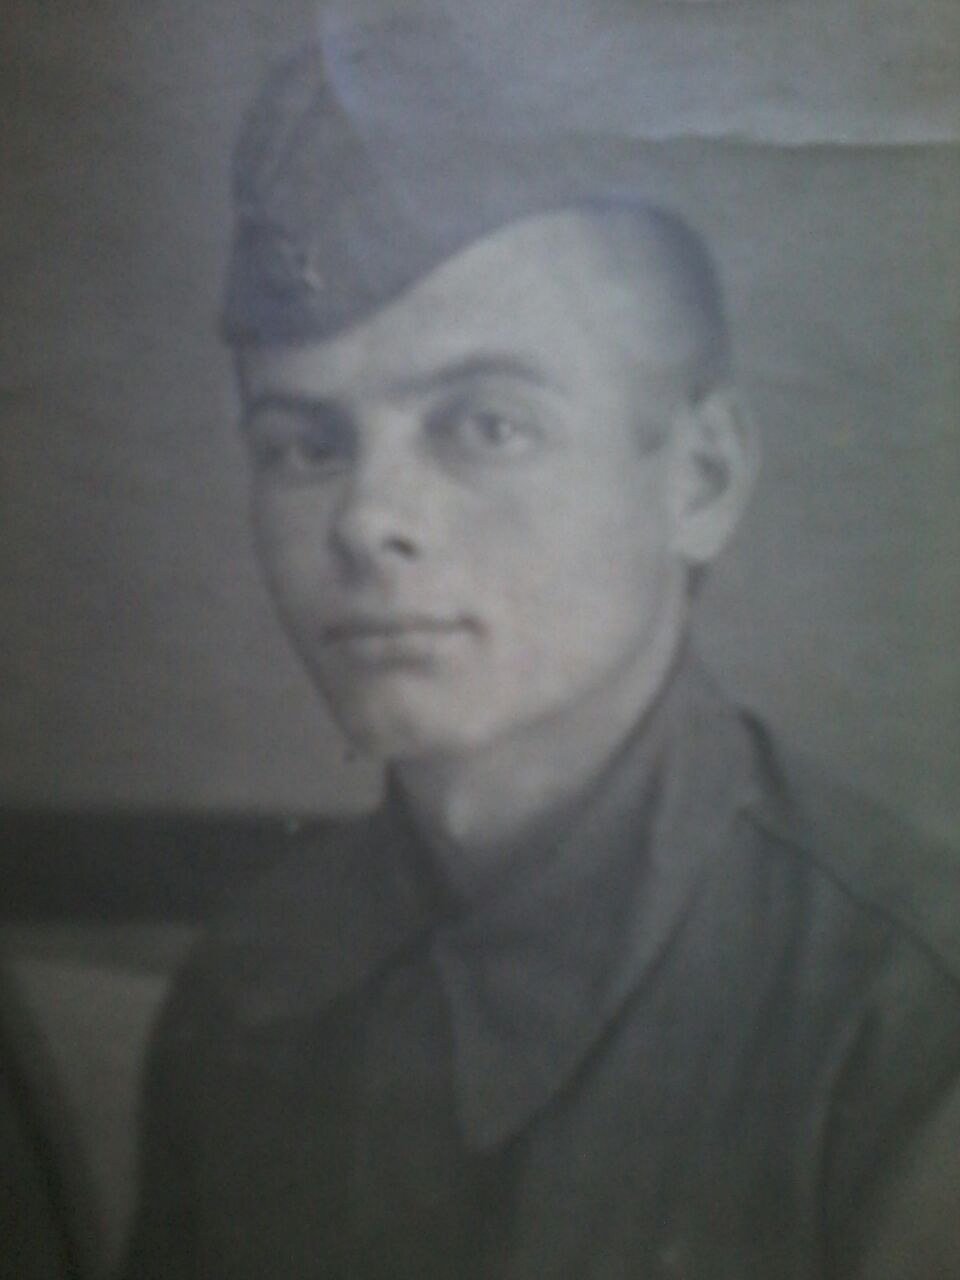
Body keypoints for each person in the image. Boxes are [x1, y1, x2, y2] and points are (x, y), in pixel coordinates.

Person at [122, 25, 960, 1280]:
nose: (368, 517)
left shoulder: (904, 1025)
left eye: (486, 424)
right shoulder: (243, 995)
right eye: (304, 443)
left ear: (701, 477)